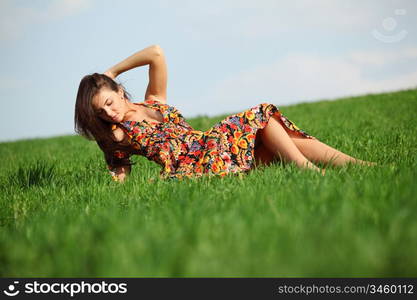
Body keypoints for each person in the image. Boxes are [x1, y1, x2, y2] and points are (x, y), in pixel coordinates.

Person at [74, 45, 376, 182]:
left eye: (109, 103)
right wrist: (118, 181)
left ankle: (361, 166)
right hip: (196, 164)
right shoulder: (116, 135)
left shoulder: (154, 100)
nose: (109, 113)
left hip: (211, 146)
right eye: (101, 112)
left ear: (120, 91)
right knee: (258, 116)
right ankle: (311, 172)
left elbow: (156, 52)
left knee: (276, 137)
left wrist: (112, 69)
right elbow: (120, 173)